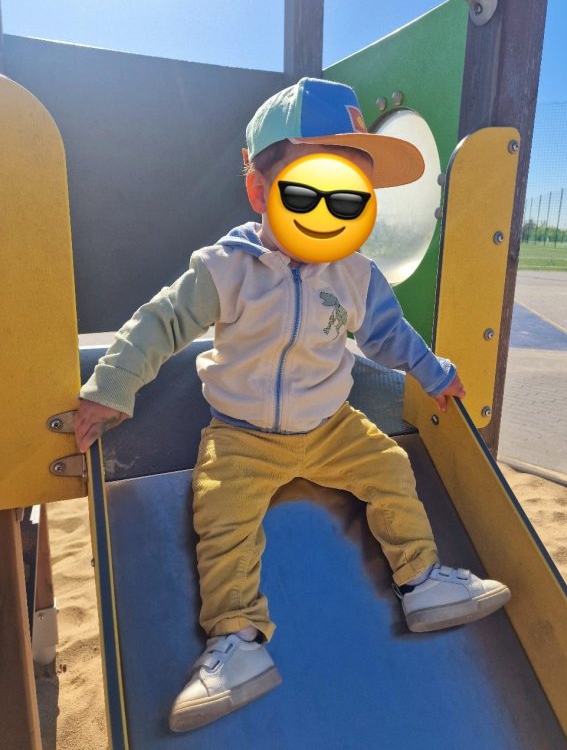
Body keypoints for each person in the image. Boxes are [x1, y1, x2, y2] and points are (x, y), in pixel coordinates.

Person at [74, 78, 511, 733]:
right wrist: (111, 388)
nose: (332, 211)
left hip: (330, 427)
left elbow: (389, 335)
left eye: (351, 196)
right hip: (243, 434)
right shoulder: (229, 267)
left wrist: (434, 371)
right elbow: (161, 322)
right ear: (260, 191)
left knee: (390, 468)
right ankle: (237, 641)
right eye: (310, 189)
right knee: (221, 514)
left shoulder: (356, 274)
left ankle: (422, 582)